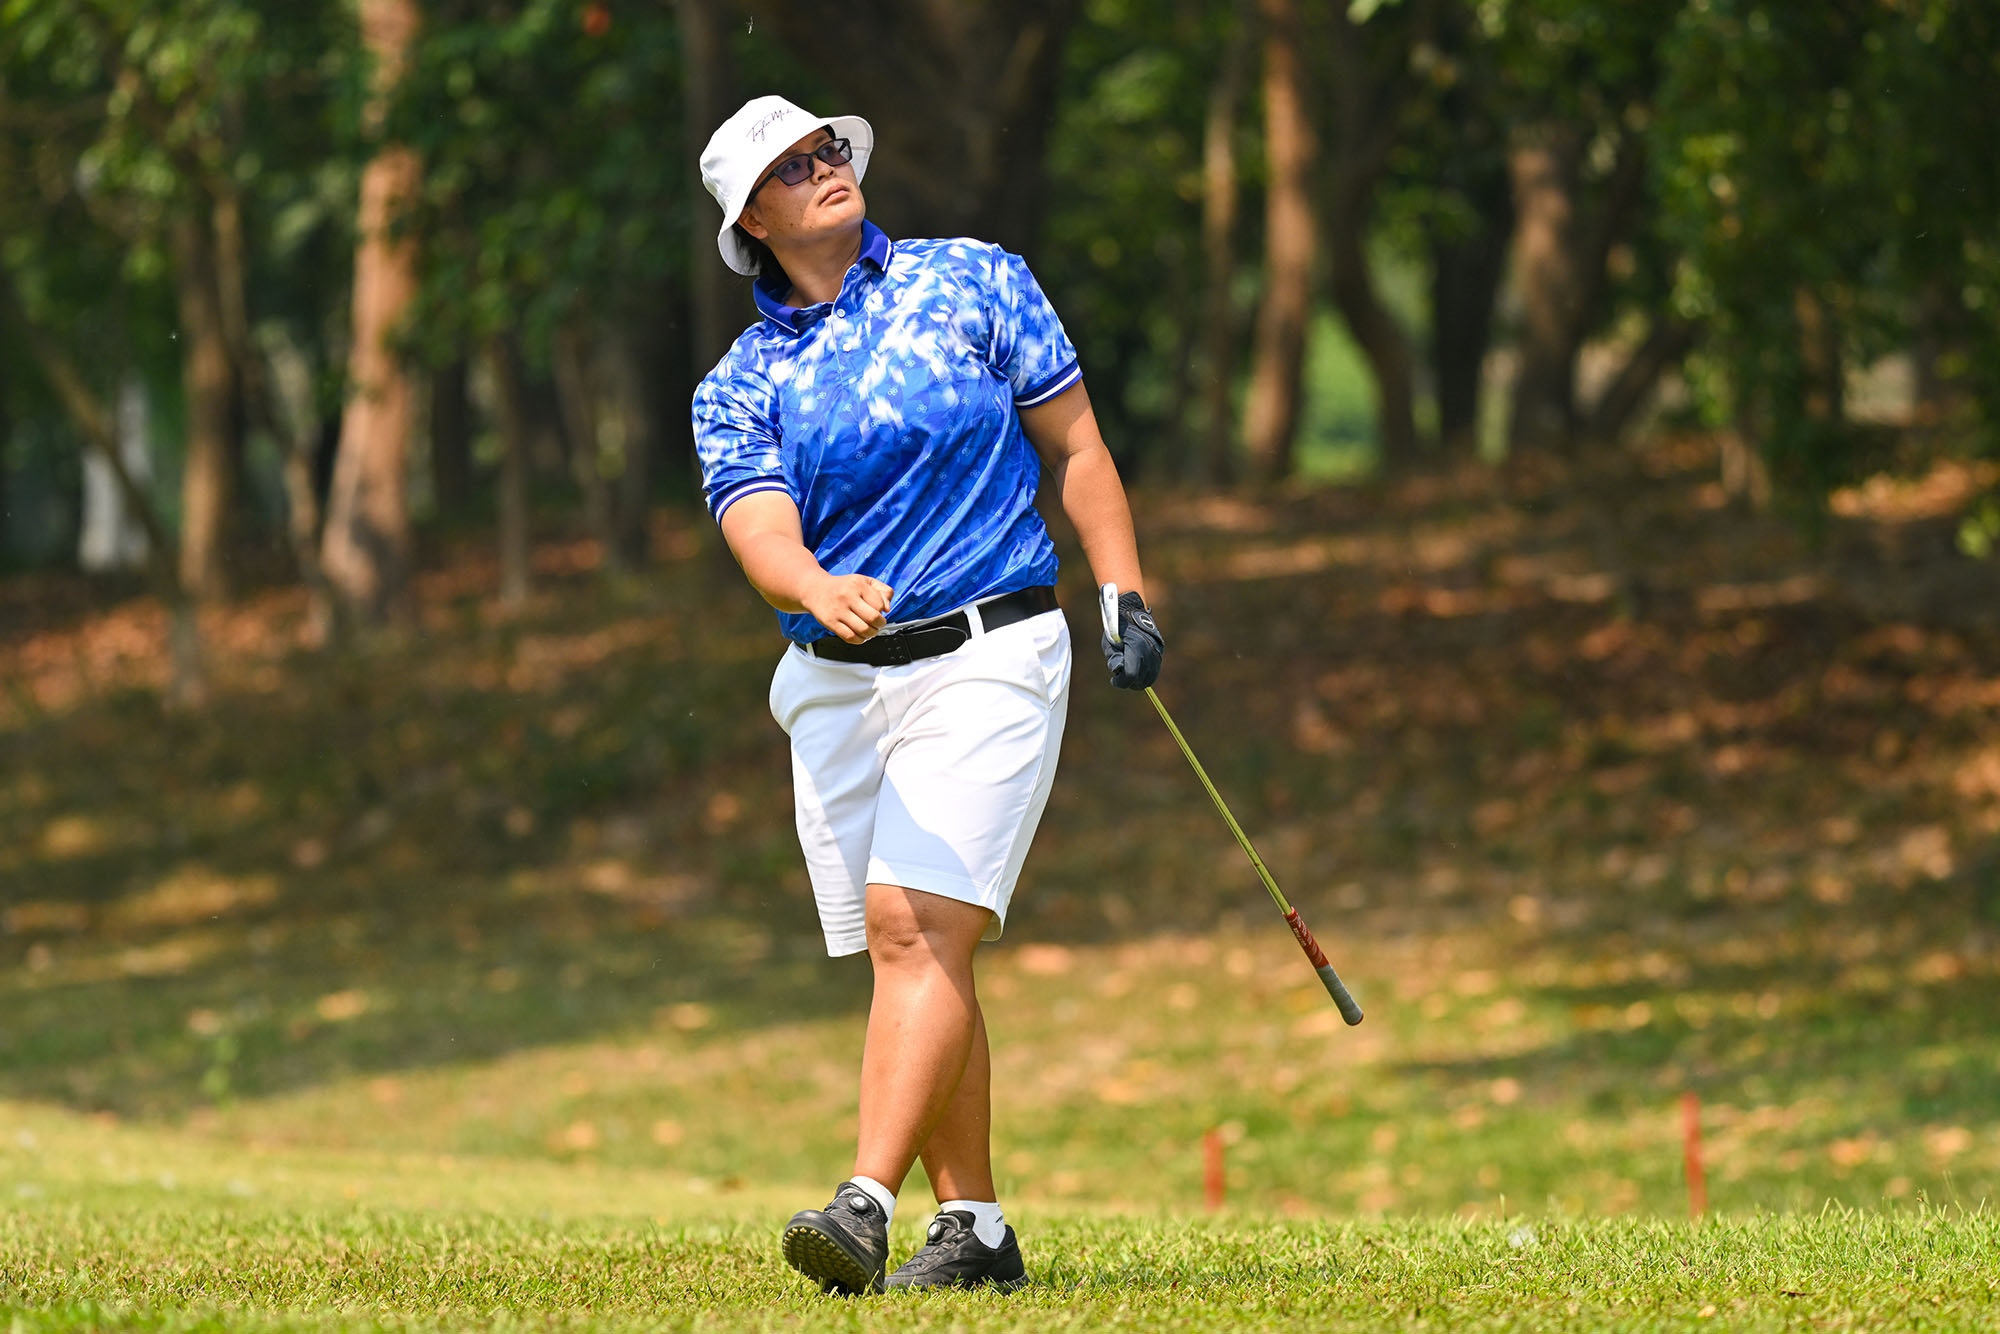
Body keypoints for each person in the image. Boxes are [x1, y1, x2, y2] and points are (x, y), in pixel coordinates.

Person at [692, 95, 1165, 1295]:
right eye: (790, 168)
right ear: (753, 223)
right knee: (915, 951)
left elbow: (1075, 446)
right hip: (836, 683)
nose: (823, 166)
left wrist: (1121, 586)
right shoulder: (740, 382)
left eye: (826, 148)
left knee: (917, 927)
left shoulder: (974, 280)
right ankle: (977, 1231)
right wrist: (813, 585)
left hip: (991, 647)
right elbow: (759, 531)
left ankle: (863, 1201)